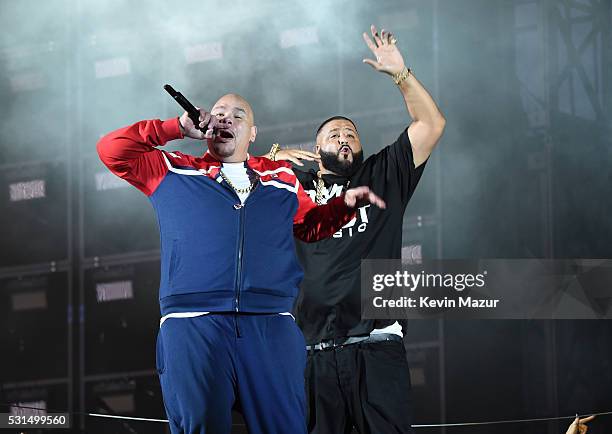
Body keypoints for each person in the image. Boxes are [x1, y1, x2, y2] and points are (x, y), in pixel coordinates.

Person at [96, 93, 386, 434]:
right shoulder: (173, 169)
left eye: (237, 115)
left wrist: (343, 206)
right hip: (193, 324)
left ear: (252, 133)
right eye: (218, 113)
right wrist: (174, 127)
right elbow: (111, 149)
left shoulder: (282, 179)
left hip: (271, 325)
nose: (225, 118)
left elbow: (311, 226)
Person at [267, 25, 446, 433]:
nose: (344, 137)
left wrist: (401, 74)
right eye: (334, 134)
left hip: (376, 346)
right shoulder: (292, 190)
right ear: (316, 150)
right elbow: (229, 177)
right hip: (312, 354)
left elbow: (431, 125)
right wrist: (272, 155)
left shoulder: (383, 174)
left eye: (351, 133)